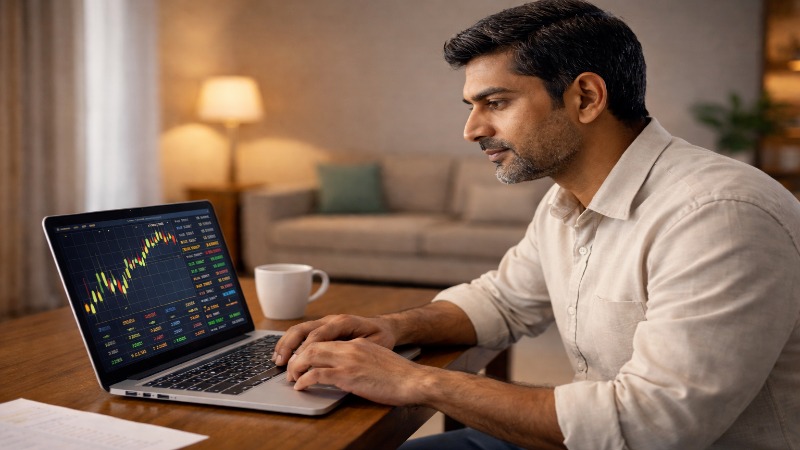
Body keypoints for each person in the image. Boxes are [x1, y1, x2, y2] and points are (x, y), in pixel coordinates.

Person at [271, 1, 800, 448]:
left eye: (495, 103)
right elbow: (501, 301)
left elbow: (651, 426)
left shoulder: (720, 216)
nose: (472, 129)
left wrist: (415, 381)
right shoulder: (564, 200)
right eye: (472, 106)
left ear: (586, 98)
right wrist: (393, 328)